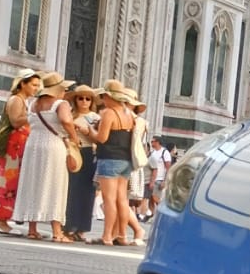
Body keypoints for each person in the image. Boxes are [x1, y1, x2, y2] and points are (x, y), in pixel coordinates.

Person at [12, 71, 77, 242]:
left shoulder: (33, 103)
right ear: (58, 89)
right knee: (55, 185)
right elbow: (66, 120)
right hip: (53, 145)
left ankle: (32, 229)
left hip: (33, 145)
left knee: (34, 183)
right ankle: (57, 232)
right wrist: (74, 137)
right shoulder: (60, 104)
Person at [86, 80, 142, 246]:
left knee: (109, 199)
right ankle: (122, 235)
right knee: (122, 199)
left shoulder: (110, 113)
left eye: (103, 96)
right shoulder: (128, 114)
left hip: (110, 158)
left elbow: (101, 138)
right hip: (126, 160)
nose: (102, 99)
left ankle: (107, 236)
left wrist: (90, 131)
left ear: (109, 96)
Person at [0, 70, 41, 233]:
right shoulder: (16, 100)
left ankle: (5, 218)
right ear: (22, 84)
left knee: (13, 182)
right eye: (33, 85)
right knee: (6, 182)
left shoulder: (25, 101)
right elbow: (15, 121)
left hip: (18, 146)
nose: (36, 88)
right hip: (12, 146)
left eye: (38, 85)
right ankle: (0, 220)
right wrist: (33, 115)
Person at [64, 85, 99, 242]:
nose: (84, 101)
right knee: (71, 190)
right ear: (75, 100)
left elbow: (99, 139)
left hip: (88, 152)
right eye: (80, 98)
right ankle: (69, 224)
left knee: (87, 192)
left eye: (87, 98)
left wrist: (86, 131)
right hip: (72, 153)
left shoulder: (96, 118)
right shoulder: (69, 115)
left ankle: (83, 227)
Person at [143, 136, 171, 217]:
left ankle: (163, 212)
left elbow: (168, 167)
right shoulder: (153, 153)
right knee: (151, 199)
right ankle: (151, 215)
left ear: (158, 142)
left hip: (160, 179)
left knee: (155, 197)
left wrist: (165, 180)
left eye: (153, 141)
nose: (151, 143)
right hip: (152, 179)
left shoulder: (164, 152)